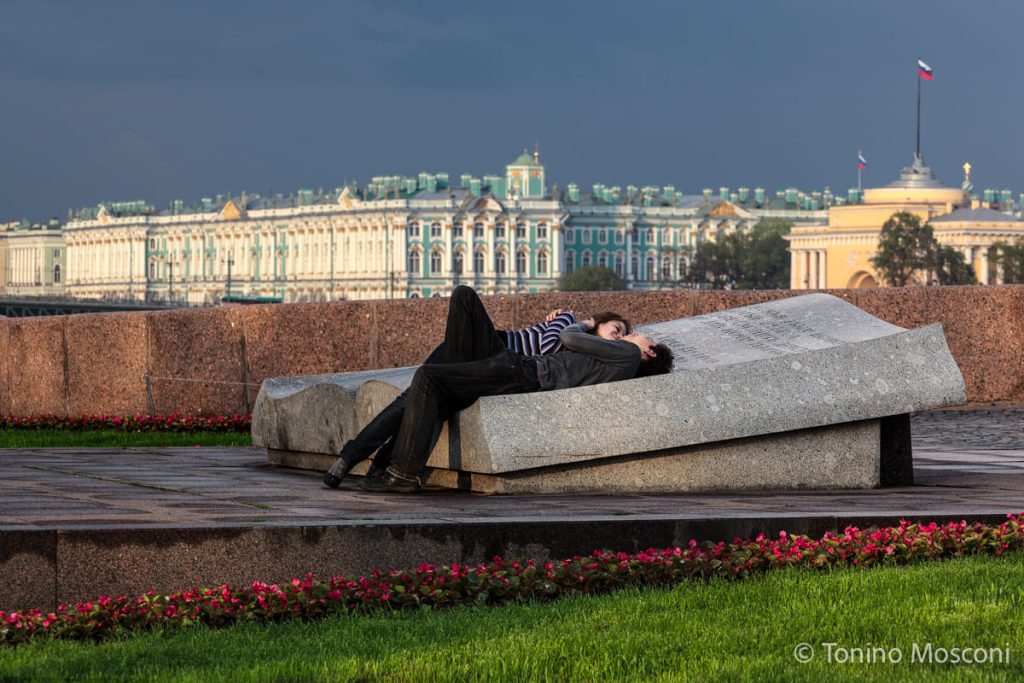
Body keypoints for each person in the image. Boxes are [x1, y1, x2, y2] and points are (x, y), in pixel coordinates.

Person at [352, 285, 673, 493]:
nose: (639, 335)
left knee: (430, 378)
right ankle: (386, 464)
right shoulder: (620, 362)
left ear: (650, 353)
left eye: (646, 338)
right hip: (524, 370)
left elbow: (568, 339)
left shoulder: (630, 355)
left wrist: (582, 323)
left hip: (527, 373)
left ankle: (396, 470)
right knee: (438, 381)